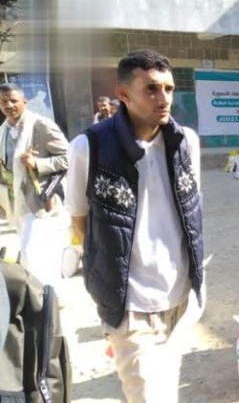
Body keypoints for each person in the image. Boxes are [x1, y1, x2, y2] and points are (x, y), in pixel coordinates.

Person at [66, 49, 203, 402]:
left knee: (167, 391)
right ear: (123, 94)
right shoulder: (88, 147)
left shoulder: (186, 142)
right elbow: (80, 220)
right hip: (130, 306)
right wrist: (116, 274)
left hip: (179, 298)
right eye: (151, 89)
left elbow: (191, 212)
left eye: (169, 89)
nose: (164, 98)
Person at [0, 83, 69, 285]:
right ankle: (44, 295)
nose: (9, 105)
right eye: (4, 101)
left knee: (34, 254)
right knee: (31, 256)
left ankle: (47, 296)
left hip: (41, 202)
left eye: (14, 100)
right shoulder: (2, 131)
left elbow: (69, 157)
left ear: (25, 101)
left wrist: (37, 163)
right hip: (17, 204)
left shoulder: (41, 125)